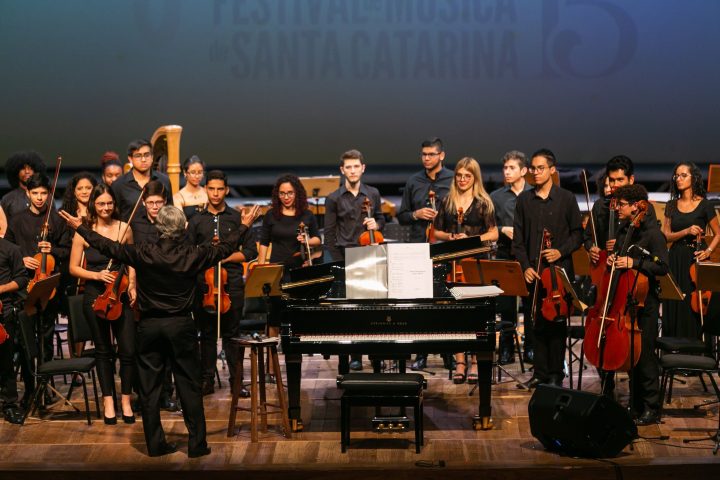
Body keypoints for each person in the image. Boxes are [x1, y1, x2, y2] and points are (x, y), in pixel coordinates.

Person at [59, 204, 260, 457]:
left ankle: (155, 445)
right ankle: (197, 445)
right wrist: (244, 225)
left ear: (158, 227)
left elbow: (107, 246)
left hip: (149, 326)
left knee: (150, 388)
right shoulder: (193, 254)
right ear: (184, 227)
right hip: (181, 326)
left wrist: (80, 228)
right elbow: (226, 247)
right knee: (189, 384)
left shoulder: (143, 252)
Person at [67, 184, 137, 425]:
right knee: (103, 350)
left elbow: (132, 261)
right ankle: (109, 401)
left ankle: (126, 400)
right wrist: (97, 276)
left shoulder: (124, 228)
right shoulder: (84, 232)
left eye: (109, 203)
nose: (106, 208)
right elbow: (73, 268)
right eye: (101, 204)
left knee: (128, 349)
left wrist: (133, 285)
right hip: (95, 294)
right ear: (92, 206)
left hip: (121, 292)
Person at [514, 149, 582, 389]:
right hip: (533, 274)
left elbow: (578, 235)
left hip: (557, 274)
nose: (535, 172)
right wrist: (525, 267)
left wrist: (560, 252)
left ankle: (555, 373)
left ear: (552, 169)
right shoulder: (524, 200)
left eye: (540, 168)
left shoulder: (566, 198)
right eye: (532, 168)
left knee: (556, 324)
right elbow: (518, 241)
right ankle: (540, 373)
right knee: (535, 324)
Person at [187, 170, 257, 397]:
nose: (216, 194)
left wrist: (224, 256)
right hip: (205, 286)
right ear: (206, 189)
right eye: (211, 189)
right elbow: (189, 252)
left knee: (232, 334)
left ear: (226, 190)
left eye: (220, 189)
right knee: (206, 335)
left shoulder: (237, 219)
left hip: (232, 284)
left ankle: (237, 381)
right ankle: (206, 380)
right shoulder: (196, 221)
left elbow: (249, 252)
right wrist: (207, 256)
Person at [606, 184, 669, 425]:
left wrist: (633, 262)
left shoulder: (653, 234)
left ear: (636, 206)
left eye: (621, 204)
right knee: (632, 356)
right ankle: (635, 404)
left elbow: (663, 267)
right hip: (626, 301)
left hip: (646, 303)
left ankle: (651, 408)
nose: (617, 208)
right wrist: (614, 258)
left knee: (645, 356)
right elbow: (621, 259)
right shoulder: (625, 230)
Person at [434, 157, 498, 384]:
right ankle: (459, 360)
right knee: (455, 313)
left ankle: (473, 361)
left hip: (474, 263)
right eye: (459, 175)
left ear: (475, 178)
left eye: (467, 176)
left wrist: (471, 239)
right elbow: (436, 233)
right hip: (452, 265)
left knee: (473, 312)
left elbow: (493, 233)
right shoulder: (447, 200)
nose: (462, 179)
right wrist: (451, 237)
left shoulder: (483, 202)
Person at [324, 149, 385, 372]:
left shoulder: (373, 194)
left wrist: (376, 225)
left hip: (370, 256)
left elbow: (381, 219)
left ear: (363, 168)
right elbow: (329, 236)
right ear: (342, 170)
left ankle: (376, 352)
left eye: (355, 166)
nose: (352, 171)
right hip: (346, 257)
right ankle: (355, 355)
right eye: (348, 167)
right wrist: (340, 264)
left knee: (373, 308)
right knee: (352, 311)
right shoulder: (333, 198)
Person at [396, 137, 454, 371]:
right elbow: (401, 216)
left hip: (445, 247)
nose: (427, 158)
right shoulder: (414, 181)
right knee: (422, 303)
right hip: (419, 248)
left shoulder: (452, 179)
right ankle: (421, 353)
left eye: (431, 154)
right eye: (424, 154)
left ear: (442, 155)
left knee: (447, 302)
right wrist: (416, 214)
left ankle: (449, 352)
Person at [5, 173, 71, 367]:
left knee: (47, 335)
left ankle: (45, 384)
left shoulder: (56, 220)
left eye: (43, 193)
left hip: (48, 287)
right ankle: (29, 386)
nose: (40, 198)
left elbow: (67, 250)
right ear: (28, 193)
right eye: (35, 193)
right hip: (24, 285)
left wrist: (54, 250)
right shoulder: (17, 220)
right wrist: (22, 259)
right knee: (25, 337)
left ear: (49, 194)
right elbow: (7, 249)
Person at [130, 181, 179, 412]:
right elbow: (130, 258)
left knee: (167, 346)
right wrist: (131, 285)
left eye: (159, 202)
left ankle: (166, 394)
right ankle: (144, 394)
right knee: (145, 347)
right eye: (150, 202)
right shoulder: (136, 224)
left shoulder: (172, 222)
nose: (155, 207)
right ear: (143, 202)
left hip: (167, 290)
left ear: (165, 202)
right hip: (143, 289)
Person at [661, 162, 720, 339]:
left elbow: (718, 233)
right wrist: (686, 231)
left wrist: (708, 250)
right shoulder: (671, 205)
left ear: (693, 178)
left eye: (683, 175)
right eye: (676, 176)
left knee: (693, 306)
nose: (678, 179)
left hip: (694, 260)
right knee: (675, 303)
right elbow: (666, 236)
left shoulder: (705, 205)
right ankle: (673, 353)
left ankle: (695, 352)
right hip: (675, 258)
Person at [490, 150, 532, 365]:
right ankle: (506, 346)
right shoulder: (496, 197)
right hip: (506, 253)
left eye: (512, 168)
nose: (507, 172)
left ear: (523, 170)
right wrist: (502, 229)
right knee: (506, 304)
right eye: (505, 168)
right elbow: (489, 227)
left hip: (528, 255)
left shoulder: (533, 194)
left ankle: (530, 347)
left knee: (529, 302)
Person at [258, 174, 321, 271]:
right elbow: (264, 243)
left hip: (300, 268)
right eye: (282, 193)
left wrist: (307, 241)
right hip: (277, 268)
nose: (286, 197)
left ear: (297, 193)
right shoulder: (271, 215)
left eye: (290, 193)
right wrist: (261, 268)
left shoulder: (307, 215)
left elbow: (317, 239)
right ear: (277, 194)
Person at [0, 236, 28, 424]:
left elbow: (22, 278)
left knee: (4, 360)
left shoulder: (11, 249)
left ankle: (9, 404)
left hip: (4, 311)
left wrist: (1, 288)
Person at [111, 139, 172, 221]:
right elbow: (114, 217)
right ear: (130, 159)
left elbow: (170, 210)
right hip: (130, 233)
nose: (143, 159)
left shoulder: (164, 180)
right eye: (138, 156)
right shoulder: (119, 185)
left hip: (160, 232)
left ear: (152, 157)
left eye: (147, 155)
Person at [1, 151, 46, 223]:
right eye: (23, 168)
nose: (27, 171)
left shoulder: (47, 197)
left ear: (36, 171)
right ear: (16, 171)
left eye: (30, 168)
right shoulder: (7, 199)